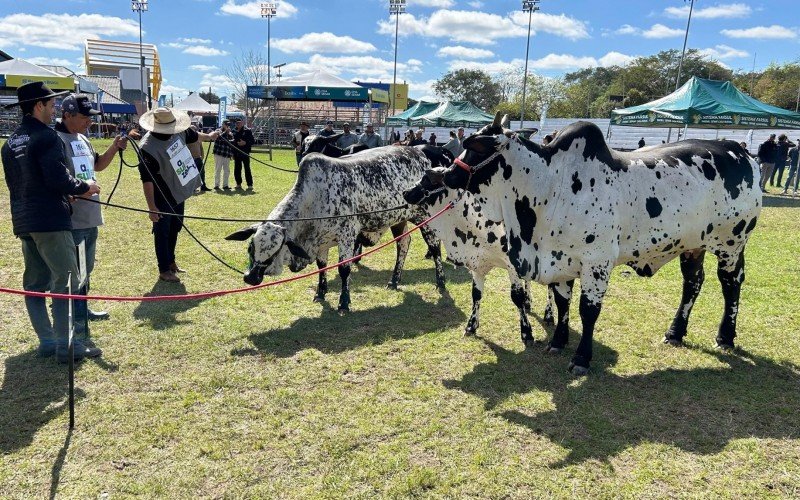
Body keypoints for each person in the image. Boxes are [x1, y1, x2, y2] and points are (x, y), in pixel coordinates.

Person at [1, 81, 102, 362]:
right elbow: (58, 178)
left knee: (34, 282)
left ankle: (46, 340)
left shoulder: (10, 143)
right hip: (51, 221)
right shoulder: (47, 136)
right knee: (66, 281)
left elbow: (21, 183)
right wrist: (85, 188)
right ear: (38, 106)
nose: (55, 108)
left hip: (24, 221)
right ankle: (66, 345)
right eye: (51, 103)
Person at [55, 93, 128, 340]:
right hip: (71, 219)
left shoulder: (83, 139)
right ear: (67, 115)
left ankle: (82, 308)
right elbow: (58, 180)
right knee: (73, 273)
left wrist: (115, 147)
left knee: (87, 269)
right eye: (85, 117)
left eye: (90, 117)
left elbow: (96, 165)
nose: (89, 121)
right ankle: (74, 318)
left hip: (90, 216)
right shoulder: (56, 140)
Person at [135, 107, 219, 283]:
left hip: (178, 191)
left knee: (175, 228)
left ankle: (171, 262)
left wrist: (210, 137)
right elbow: (147, 180)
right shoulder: (147, 148)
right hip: (162, 195)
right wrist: (152, 207)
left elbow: (195, 136)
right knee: (162, 232)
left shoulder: (179, 131)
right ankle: (163, 269)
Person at [232, 118, 255, 190]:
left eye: (239, 122)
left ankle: (250, 184)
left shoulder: (247, 131)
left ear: (242, 123)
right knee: (237, 169)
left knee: (247, 169)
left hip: (245, 153)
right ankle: (238, 184)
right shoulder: (233, 131)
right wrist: (232, 153)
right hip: (236, 153)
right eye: (236, 123)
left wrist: (245, 142)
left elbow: (252, 141)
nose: (238, 124)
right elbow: (232, 143)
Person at [188, 124, 212, 193]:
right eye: (193, 129)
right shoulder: (188, 139)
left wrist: (202, 156)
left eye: (195, 129)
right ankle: (193, 188)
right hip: (191, 159)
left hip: (199, 158)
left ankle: (203, 186)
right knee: (193, 174)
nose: (195, 130)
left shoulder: (198, 138)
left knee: (202, 173)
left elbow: (201, 148)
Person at [212, 120, 234, 190]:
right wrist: (225, 132)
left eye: (229, 124)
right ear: (223, 124)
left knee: (227, 170)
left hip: (227, 154)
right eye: (226, 124)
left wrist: (231, 154)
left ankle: (225, 185)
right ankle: (216, 185)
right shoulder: (218, 130)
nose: (228, 126)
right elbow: (219, 138)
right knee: (218, 169)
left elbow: (231, 143)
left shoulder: (230, 133)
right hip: (219, 154)